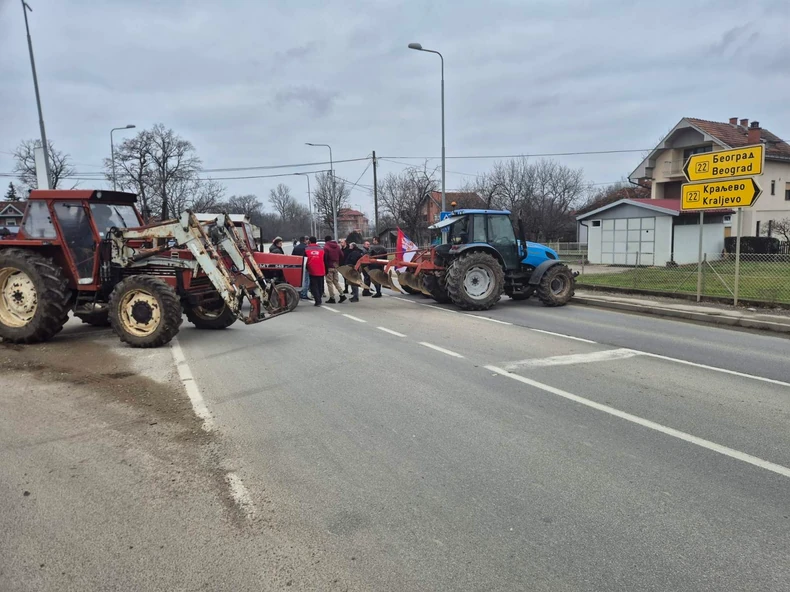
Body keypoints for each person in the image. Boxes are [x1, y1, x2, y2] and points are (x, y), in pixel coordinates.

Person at [323, 235, 346, 304]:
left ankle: (332, 297)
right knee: (336, 281)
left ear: (325, 240)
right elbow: (342, 255)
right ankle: (342, 294)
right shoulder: (337, 246)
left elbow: (325, 258)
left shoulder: (326, 247)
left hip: (329, 266)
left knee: (329, 282)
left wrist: (325, 266)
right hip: (336, 266)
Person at [304, 237, 326, 306]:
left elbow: (304, 260)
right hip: (321, 269)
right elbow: (325, 259)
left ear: (309, 241)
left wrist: (307, 268)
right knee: (320, 285)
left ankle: (317, 300)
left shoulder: (306, 249)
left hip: (312, 270)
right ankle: (320, 298)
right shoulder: (321, 249)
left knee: (314, 286)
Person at [291, 235, 310, 299]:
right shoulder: (307, 247)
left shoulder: (296, 247)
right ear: (304, 240)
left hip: (297, 266)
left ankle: (299, 292)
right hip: (305, 266)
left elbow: (292, 257)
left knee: (299, 280)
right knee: (306, 280)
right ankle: (304, 294)